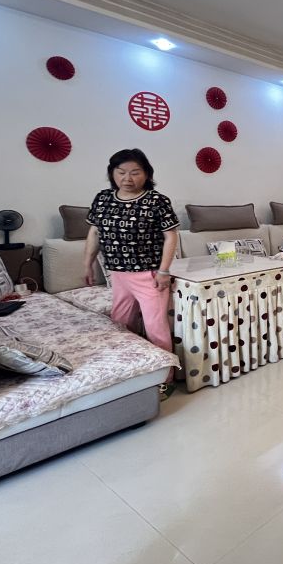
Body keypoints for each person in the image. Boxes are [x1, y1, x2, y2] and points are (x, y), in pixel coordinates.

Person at [83, 149, 179, 390]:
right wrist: (88, 263)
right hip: (118, 273)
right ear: (112, 173)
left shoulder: (157, 201)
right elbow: (94, 232)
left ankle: (164, 378)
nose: (128, 178)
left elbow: (171, 236)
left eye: (135, 172)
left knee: (155, 327)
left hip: (149, 274)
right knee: (121, 322)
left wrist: (164, 271)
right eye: (121, 172)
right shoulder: (103, 198)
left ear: (146, 174)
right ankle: (133, 371)